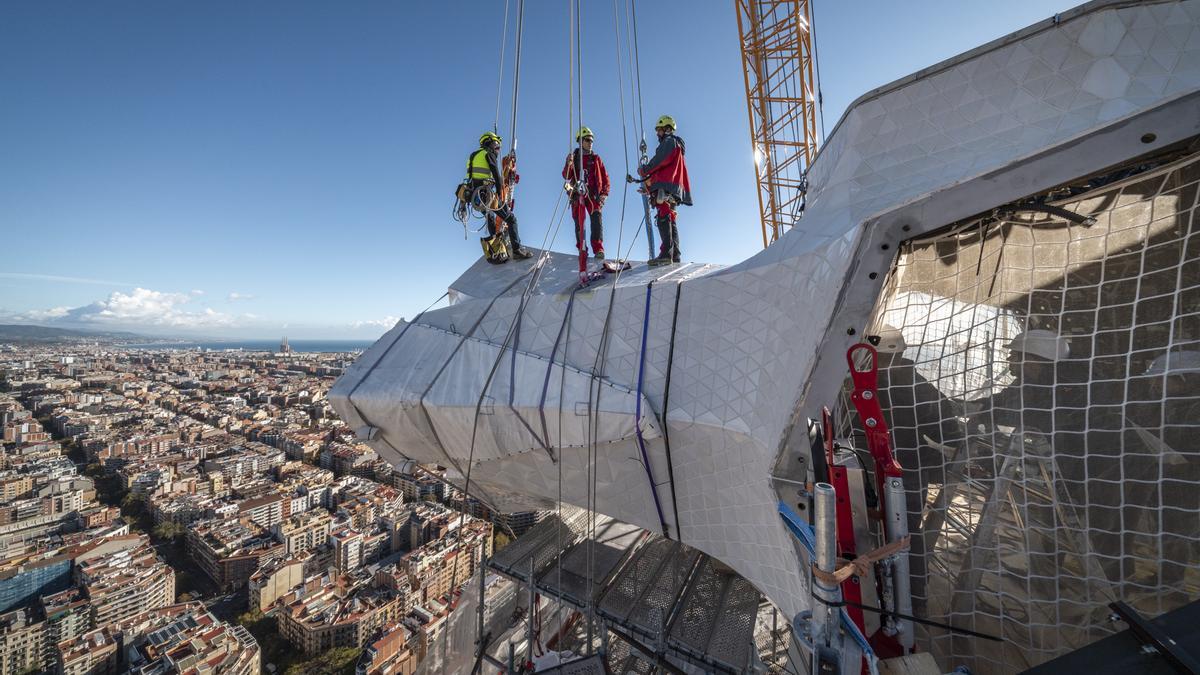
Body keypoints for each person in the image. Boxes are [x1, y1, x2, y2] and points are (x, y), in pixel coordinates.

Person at [467, 131, 531, 260]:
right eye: (496, 144)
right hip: (486, 195)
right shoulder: (488, 153)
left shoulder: (473, 155)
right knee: (511, 219)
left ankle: (497, 253)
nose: (497, 147)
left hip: (475, 197)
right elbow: (496, 174)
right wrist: (500, 193)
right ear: (490, 142)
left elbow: (471, 176)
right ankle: (517, 250)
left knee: (490, 218)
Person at [638, 115, 692, 266]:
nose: (657, 134)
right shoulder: (676, 145)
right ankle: (675, 255)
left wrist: (645, 169)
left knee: (663, 214)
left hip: (667, 185)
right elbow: (664, 168)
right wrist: (649, 188)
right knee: (670, 217)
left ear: (667, 129)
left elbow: (661, 160)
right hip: (673, 187)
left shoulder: (669, 142)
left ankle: (666, 254)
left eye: (659, 130)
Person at [562, 127, 610, 267]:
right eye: (588, 140)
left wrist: (604, 194)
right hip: (578, 194)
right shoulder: (574, 158)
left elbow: (605, 178)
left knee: (597, 221)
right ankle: (582, 249)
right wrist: (569, 163)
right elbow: (566, 175)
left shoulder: (596, 159)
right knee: (579, 223)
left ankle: (598, 249)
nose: (590, 143)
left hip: (593, 195)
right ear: (580, 141)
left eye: (592, 141)